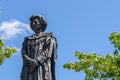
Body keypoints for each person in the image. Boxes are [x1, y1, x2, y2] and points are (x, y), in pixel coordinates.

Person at [21, 14, 58, 80]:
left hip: (42, 67)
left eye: (35, 22)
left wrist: (36, 61)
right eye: (31, 23)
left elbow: (48, 52)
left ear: (41, 24)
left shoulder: (49, 37)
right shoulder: (27, 39)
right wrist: (30, 61)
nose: (33, 24)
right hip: (29, 68)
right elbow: (23, 52)